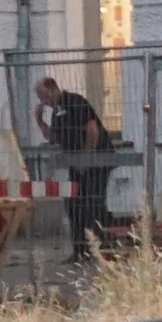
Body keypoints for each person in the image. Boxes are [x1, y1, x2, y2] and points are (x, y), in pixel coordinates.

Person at [35, 76, 111, 260]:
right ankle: (79, 250)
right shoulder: (57, 112)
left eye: (45, 96)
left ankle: (99, 247)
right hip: (77, 163)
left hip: (95, 160)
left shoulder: (75, 102)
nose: (45, 102)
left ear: (53, 89)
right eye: (41, 99)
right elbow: (52, 136)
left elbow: (92, 131)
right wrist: (39, 120)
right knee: (74, 204)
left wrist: (86, 158)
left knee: (92, 203)